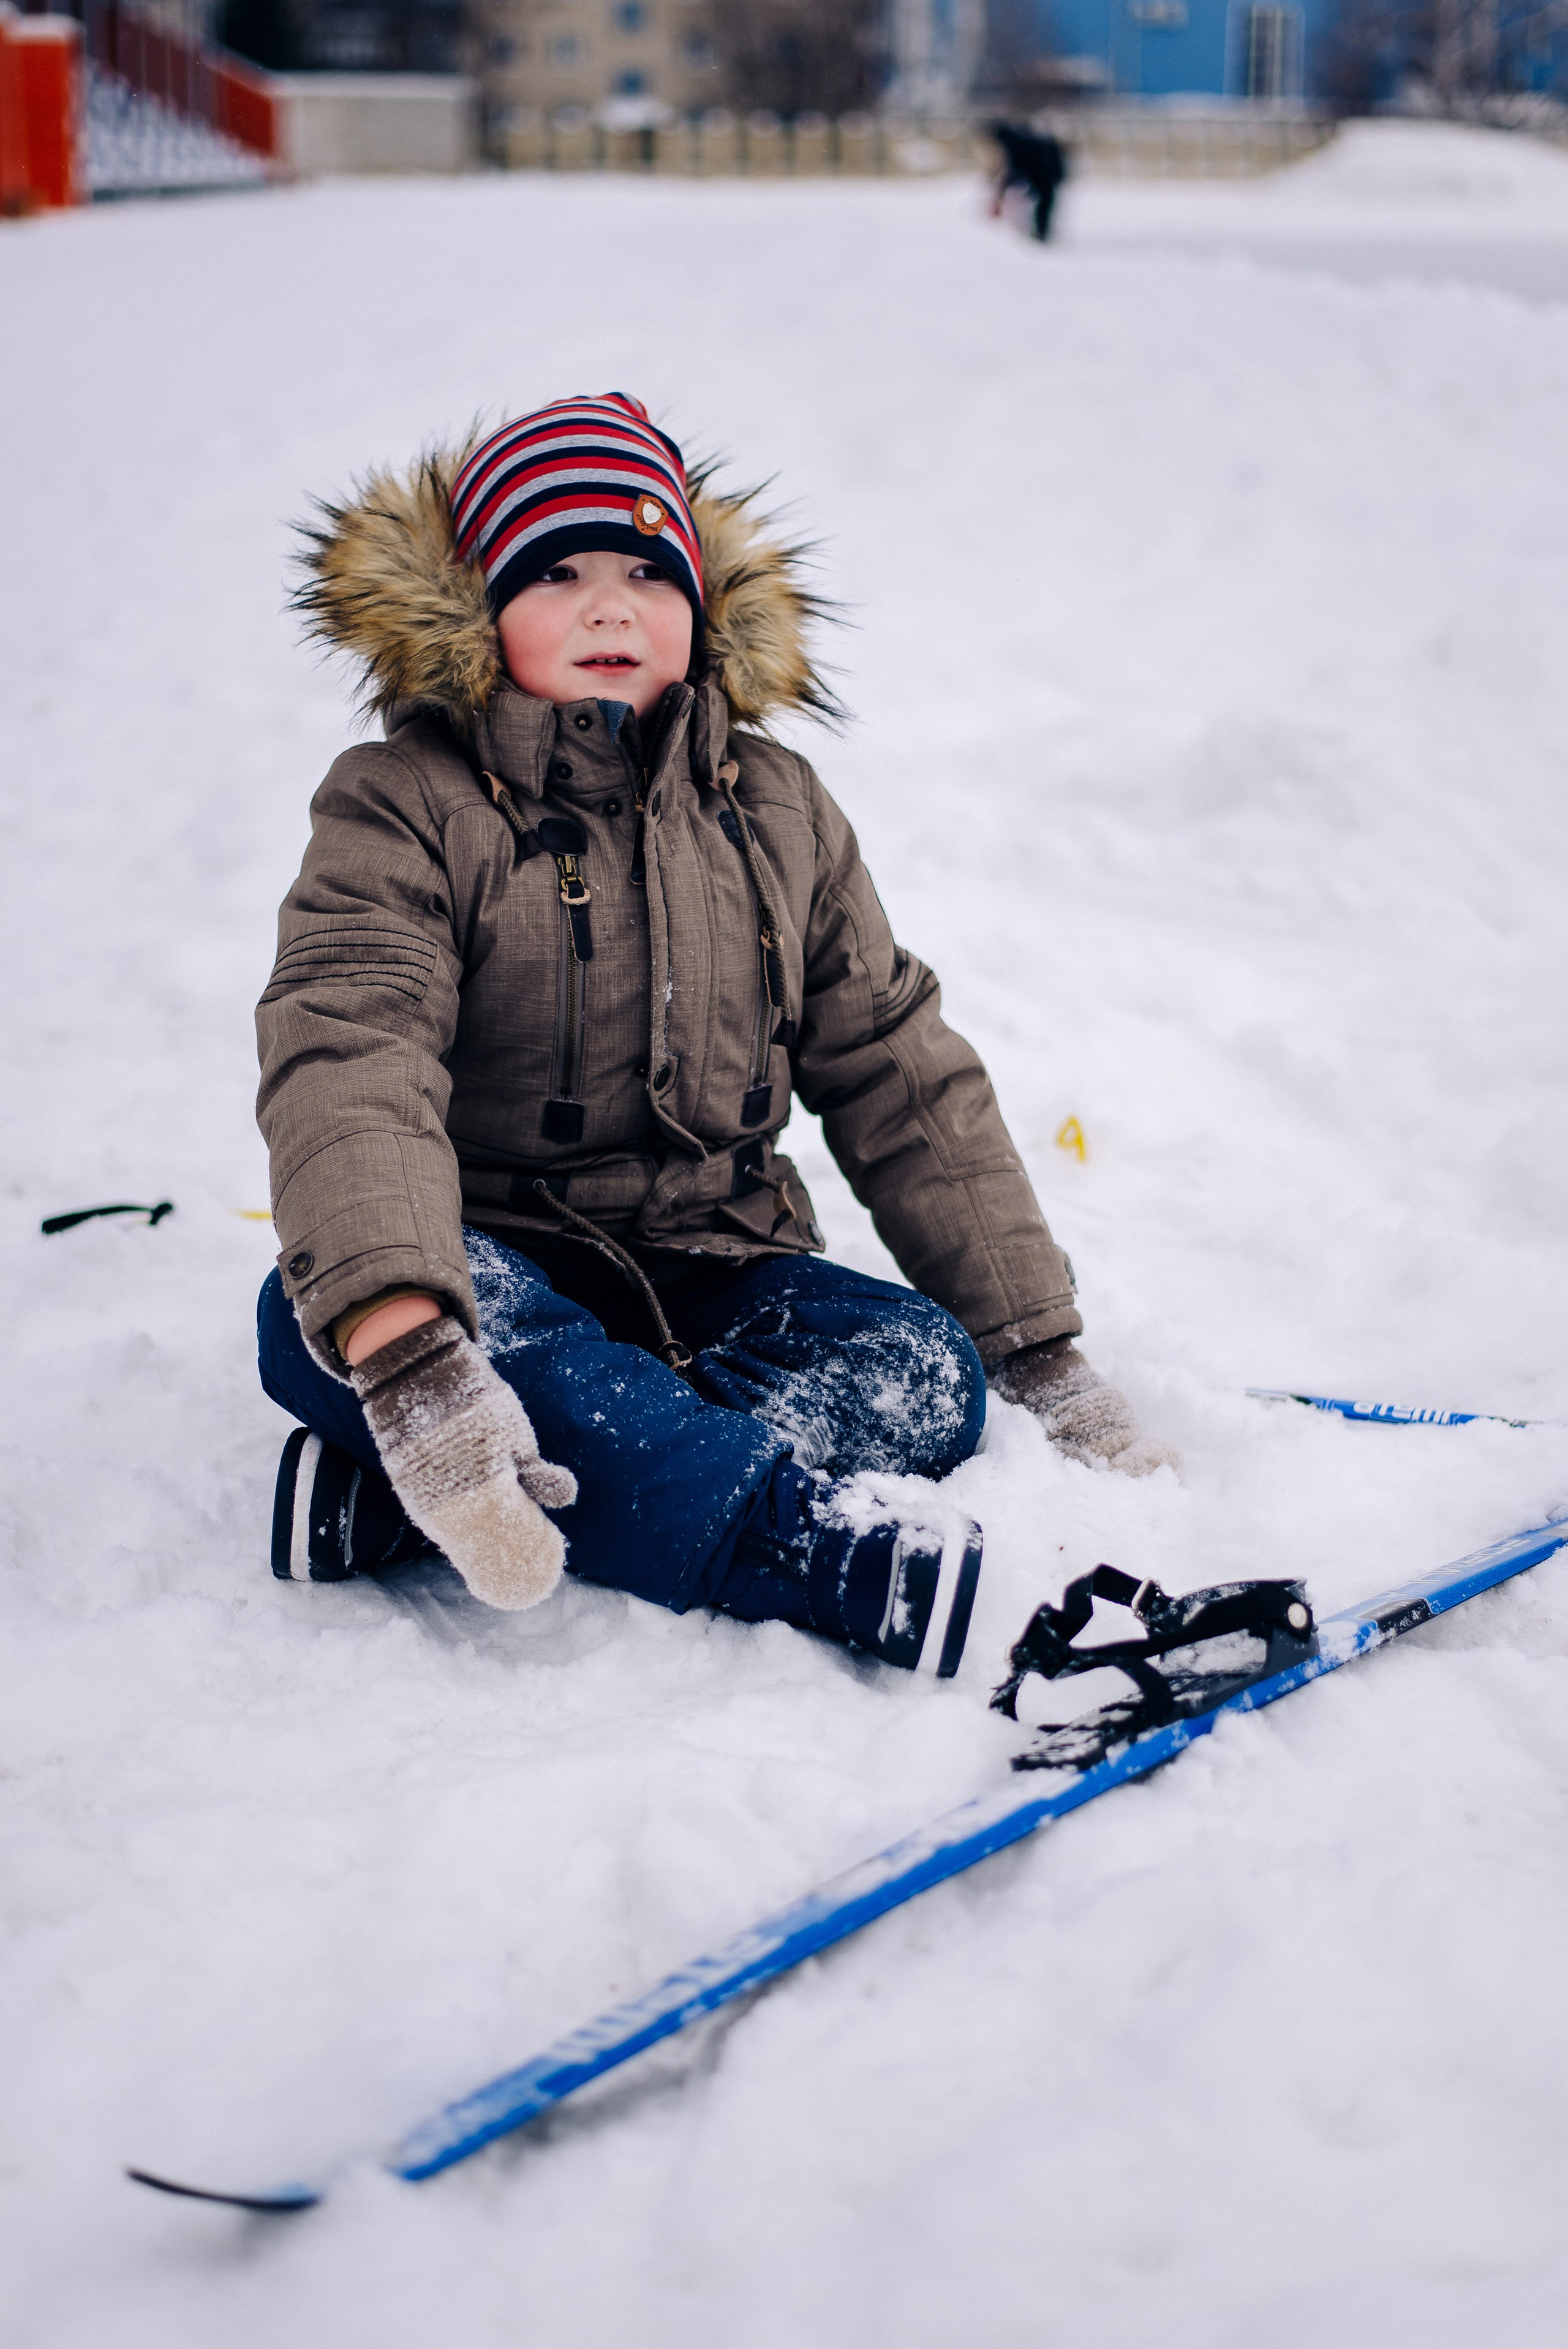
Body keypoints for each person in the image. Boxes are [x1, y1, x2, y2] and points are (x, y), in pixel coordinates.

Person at [255, 393, 1171, 1683]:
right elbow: (350, 1050)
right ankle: (781, 1540)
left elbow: (897, 1069)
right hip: (493, 1259)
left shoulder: (778, 808)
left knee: (923, 1375)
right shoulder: (405, 807)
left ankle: (434, 1497)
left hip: (715, 1264)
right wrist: (409, 1355)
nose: (612, 606)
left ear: (703, 602)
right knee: (313, 1315)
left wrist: (1036, 1351)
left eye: (646, 571)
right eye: (557, 572)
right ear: (474, 613)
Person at [990, 121, 1069, 243]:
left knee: (1040, 205)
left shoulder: (1016, 144)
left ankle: (1037, 233)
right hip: (1044, 178)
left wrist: (1006, 183)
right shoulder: (1026, 141)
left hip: (1042, 177)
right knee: (1042, 205)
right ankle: (1039, 232)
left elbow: (1019, 167)